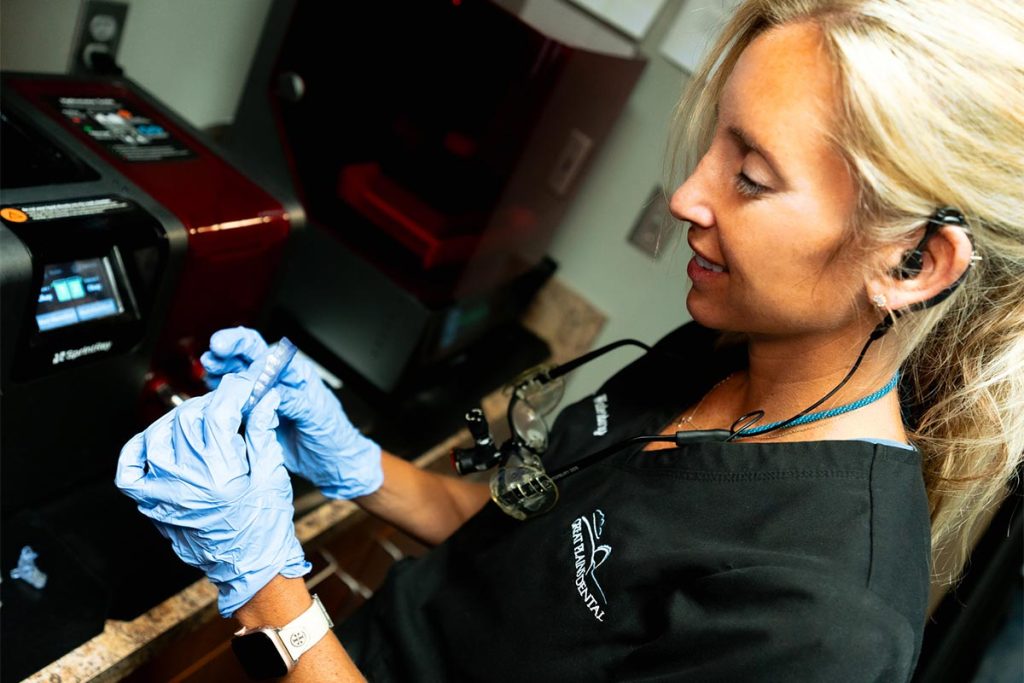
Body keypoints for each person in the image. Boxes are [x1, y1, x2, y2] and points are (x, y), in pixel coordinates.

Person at [115, 0, 1024, 680]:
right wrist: (356, 461)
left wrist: (265, 580)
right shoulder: (713, 352)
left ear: (910, 264)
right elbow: (522, 547)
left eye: (749, 175)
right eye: (714, 146)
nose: (685, 198)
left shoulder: (821, 624)